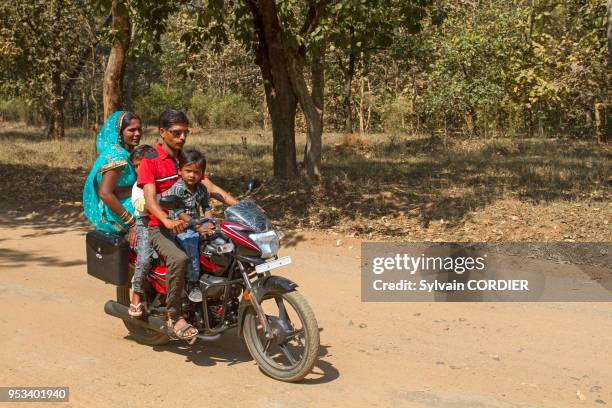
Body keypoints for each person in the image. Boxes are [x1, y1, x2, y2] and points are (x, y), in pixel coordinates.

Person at [137, 108, 238, 341]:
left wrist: (242, 206)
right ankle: (174, 315)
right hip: (159, 226)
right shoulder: (150, 160)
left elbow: (212, 189)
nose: (182, 137)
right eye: (176, 132)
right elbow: (150, 199)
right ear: (162, 132)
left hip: (190, 223)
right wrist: (166, 220)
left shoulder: (187, 159)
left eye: (185, 132)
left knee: (224, 249)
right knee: (179, 259)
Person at [83, 111, 143, 248]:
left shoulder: (126, 152)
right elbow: (105, 193)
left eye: (139, 129)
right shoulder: (117, 156)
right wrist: (132, 222)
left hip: (126, 203)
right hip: (119, 213)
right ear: (119, 133)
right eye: (131, 130)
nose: (137, 133)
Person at [165, 149, 213, 303]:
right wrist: (198, 227)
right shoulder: (177, 189)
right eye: (188, 171)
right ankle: (192, 282)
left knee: (219, 238)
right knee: (191, 240)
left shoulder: (201, 189)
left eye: (196, 172)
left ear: (202, 173)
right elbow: (179, 212)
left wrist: (209, 223)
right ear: (180, 171)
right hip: (180, 227)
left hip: (197, 223)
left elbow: (206, 207)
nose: (192, 175)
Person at [128, 144, 156, 317]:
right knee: (145, 258)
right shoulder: (138, 186)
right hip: (145, 223)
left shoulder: (163, 180)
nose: (140, 169)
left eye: (142, 165)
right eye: (136, 166)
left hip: (165, 222)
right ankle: (136, 296)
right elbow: (142, 206)